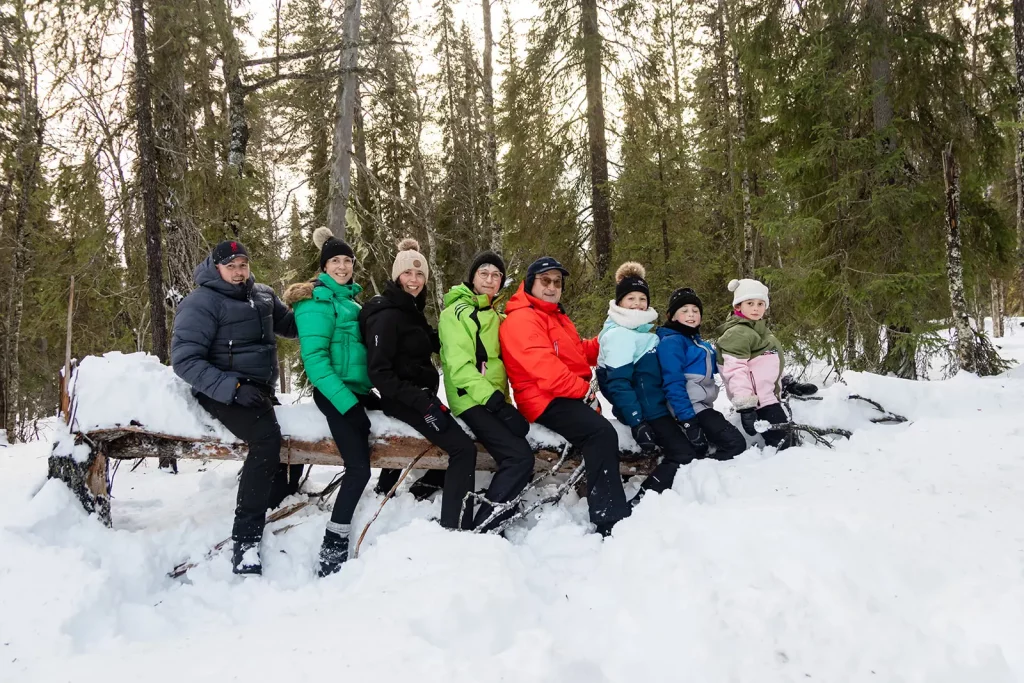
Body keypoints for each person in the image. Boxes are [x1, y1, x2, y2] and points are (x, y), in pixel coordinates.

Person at [171, 240, 299, 575]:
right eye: (232, 266)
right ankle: (245, 541)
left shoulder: (263, 295)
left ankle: (279, 496)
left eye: (243, 265)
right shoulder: (200, 303)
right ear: (216, 268)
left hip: (257, 390)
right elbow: (185, 361)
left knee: (293, 436)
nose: (239, 272)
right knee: (266, 439)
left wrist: (321, 301)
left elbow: (293, 326)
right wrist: (233, 388)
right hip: (220, 388)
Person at [500, 257, 631, 537]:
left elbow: (578, 351)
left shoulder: (555, 316)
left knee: (602, 431)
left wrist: (610, 338)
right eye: (545, 281)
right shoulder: (522, 318)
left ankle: (606, 496)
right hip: (542, 399)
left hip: (562, 394)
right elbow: (544, 368)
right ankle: (610, 518)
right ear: (530, 282)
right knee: (600, 433)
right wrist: (584, 390)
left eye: (557, 283)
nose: (552, 287)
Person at [359, 238, 479, 530]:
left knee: (449, 436)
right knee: (464, 448)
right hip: (404, 399)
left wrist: (464, 328)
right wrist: (421, 401)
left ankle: (402, 490)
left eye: (420, 274)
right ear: (396, 276)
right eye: (408, 274)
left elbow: (432, 341)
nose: (414, 280)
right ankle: (456, 523)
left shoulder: (411, 310)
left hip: (418, 396)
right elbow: (380, 373)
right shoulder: (386, 316)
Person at [284, 227, 375, 576]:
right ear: (324, 266)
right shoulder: (314, 303)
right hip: (334, 392)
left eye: (347, 261)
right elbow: (317, 361)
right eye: (335, 261)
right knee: (358, 468)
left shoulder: (352, 302)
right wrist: (348, 404)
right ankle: (333, 545)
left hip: (359, 390)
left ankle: (391, 497)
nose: (342, 266)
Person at [438, 251, 534, 531]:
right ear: (472, 277)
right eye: (484, 273)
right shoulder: (455, 313)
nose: (490, 280)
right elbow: (460, 368)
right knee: (519, 456)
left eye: (496, 275)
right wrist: (498, 405)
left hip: (494, 399)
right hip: (470, 400)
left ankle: (499, 509)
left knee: (520, 446)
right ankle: (485, 525)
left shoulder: (496, 315)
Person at [596, 263, 697, 500]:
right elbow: (618, 383)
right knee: (684, 455)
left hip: (657, 408)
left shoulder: (642, 333)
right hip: (647, 413)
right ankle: (645, 499)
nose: (638, 303)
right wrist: (637, 423)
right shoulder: (619, 335)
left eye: (642, 298)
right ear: (619, 302)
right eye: (630, 298)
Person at [656, 287, 747, 460]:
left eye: (695, 311)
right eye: (684, 311)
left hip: (703, 407)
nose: (691, 314)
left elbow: (724, 366)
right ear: (671, 316)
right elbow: (672, 383)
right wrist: (689, 421)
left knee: (730, 442)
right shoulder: (671, 342)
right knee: (735, 444)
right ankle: (705, 469)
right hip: (689, 409)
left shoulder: (698, 343)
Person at [715, 278, 794, 450]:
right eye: (750, 303)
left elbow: (766, 365)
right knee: (785, 444)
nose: (756, 308)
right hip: (759, 403)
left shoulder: (759, 329)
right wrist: (745, 407)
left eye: (760, 303)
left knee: (787, 440)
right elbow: (736, 371)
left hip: (768, 397)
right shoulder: (737, 333)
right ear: (738, 306)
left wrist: (787, 382)